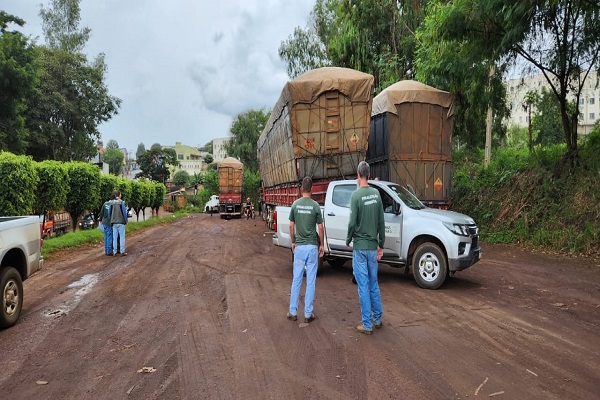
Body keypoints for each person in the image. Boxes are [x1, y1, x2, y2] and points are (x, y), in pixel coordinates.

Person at [346, 161, 386, 335]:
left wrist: (348, 239)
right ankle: (377, 319)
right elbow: (381, 223)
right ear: (369, 175)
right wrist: (381, 245)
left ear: (358, 174)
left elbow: (352, 222)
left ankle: (367, 325)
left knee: (362, 285)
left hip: (360, 248)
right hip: (372, 247)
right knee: (373, 283)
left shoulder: (355, 196)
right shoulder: (376, 194)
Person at [287, 176, 324, 324]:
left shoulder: (295, 205)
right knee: (311, 281)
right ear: (312, 189)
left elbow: (291, 226)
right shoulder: (315, 206)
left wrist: (294, 241)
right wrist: (322, 244)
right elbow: (320, 227)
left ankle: (293, 311)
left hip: (300, 247)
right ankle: (308, 313)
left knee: (296, 279)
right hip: (312, 247)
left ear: (302, 189)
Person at [108, 190, 129, 256]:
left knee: (115, 237)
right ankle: (122, 251)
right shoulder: (121, 202)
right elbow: (124, 213)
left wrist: (110, 220)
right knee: (122, 237)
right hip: (121, 222)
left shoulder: (111, 203)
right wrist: (126, 221)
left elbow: (109, 213)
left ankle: (114, 251)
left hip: (114, 222)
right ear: (119, 195)